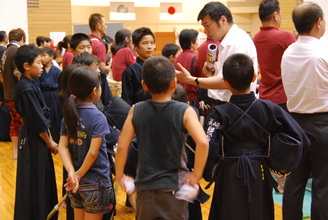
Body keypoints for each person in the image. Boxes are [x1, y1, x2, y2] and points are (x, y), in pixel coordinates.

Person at [203, 53, 310, 220]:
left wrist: (208, 173)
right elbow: (299, 138)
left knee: (228, 212)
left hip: (229, 171)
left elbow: (209, 146)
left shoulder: (218, 114)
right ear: (254, 77)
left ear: (225, 82)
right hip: (259, 169)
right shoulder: (269, 108)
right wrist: (277, 161)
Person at [115, 56, 209, 220]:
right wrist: (196, 176)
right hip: (174, 187)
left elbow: (122, 146)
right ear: (174, 83)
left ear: (144, 85)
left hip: (145, 188)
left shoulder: (136, 110)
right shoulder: (185, 110)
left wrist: (120, 175)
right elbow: (203, 142)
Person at [281, 2, 328, 219]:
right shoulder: (323, 51)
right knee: (322, 185)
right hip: (322, 124)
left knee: (294, 184)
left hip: (294, 124)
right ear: (319, 23)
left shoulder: (289, 52)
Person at [58, 65, 115, 220]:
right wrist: (77, 174)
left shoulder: (69, 114)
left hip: (76, 182)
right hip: (95, 182)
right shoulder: (98, 117)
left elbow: (62, 146)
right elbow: (93, 152)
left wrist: (72, 173)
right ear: (94, 91)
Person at [176, 2, 258, 105]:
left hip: (235, 105)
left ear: (223, 20)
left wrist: (191, 80)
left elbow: (229, 81)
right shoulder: (227, 41)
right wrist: (212, 73)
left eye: (207, 25)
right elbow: (225, 76)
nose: (205, 31)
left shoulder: (236, 42)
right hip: (229, 103)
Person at [253, 0, 296, 194]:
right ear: (276, 15)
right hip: (283, 97)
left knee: (268, 140)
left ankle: (271, 181)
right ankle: (282, 184)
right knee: (285, 141)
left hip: (264, 97)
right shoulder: (285, 36)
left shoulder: (256, 37)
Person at [13, 45, 58, 220]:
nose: (41, 66)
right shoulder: (25, 88)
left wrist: (50, 140)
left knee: (43, 178)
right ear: (26, 66)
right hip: (33, 141)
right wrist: (49, 142)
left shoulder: (31, 83)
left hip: (38, 138)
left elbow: (42, 117)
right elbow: (37, 121)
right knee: (35, 180)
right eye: (38, 63)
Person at [0, 28, 26, 159]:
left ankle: (16, 152)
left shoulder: (6, 51)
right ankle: (22, 151)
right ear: (22, 38)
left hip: (7, 92)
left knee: (14, 123)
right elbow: (18, 73)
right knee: (21, 122)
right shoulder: (16, 51)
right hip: (16, 93)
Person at [121, 27, 155, 106]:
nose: (149, 46)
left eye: (152, 43)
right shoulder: (130, 71)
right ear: (136, 46)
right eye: (145, 43)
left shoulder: (158, 67)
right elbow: (127, 100)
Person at [35, 47, 62, 143]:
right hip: (42, 94)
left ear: (51, 57)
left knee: (55, 116)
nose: (42, 58)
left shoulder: (57, 70)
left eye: (44, 55)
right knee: (45, 116)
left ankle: (57, 138)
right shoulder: (39, 70)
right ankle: (47, 139)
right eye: (41, 56)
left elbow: (61, 85)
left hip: (54, 95)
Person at [174, 29, 200, 105]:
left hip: (178, 97)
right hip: (192, 99)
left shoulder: (178, 58)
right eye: (197, 40)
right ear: (192, 43)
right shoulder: (196, 58)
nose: (198, 43)